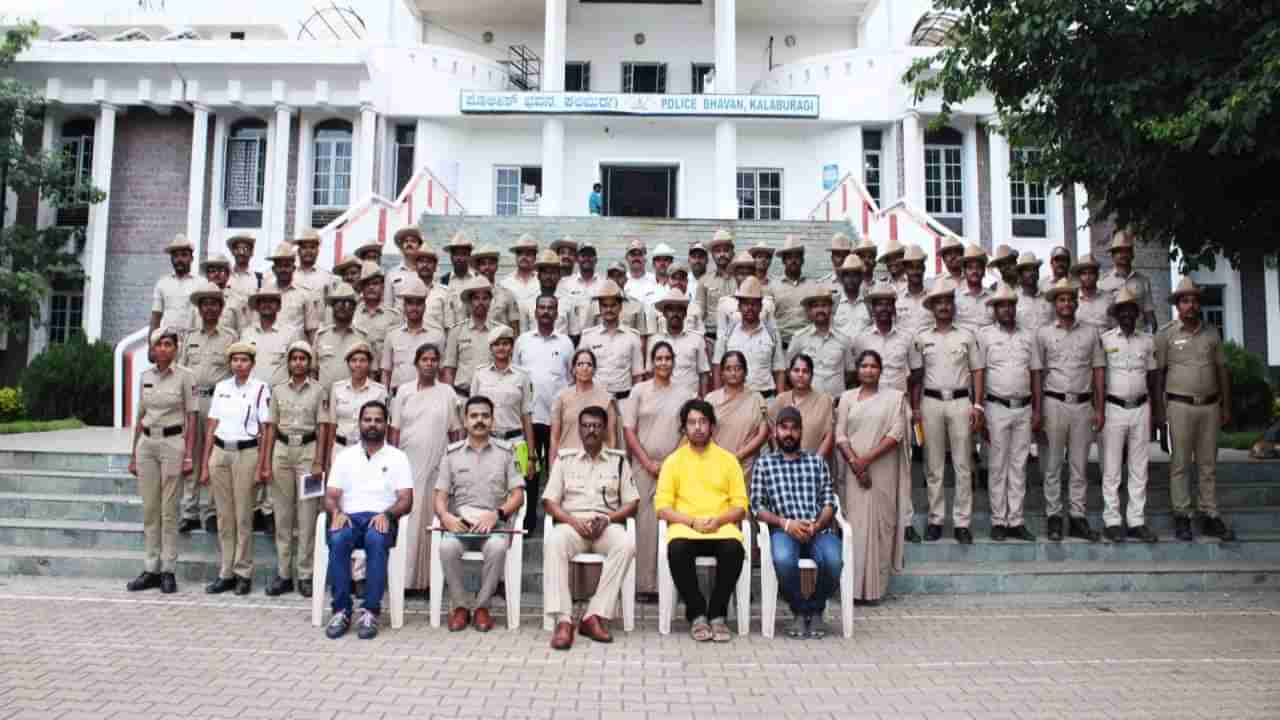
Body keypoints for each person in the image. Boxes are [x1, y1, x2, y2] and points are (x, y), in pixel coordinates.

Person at [543, 405, 639, 649]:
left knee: (626, 544)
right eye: (586, 426)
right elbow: (549, 501)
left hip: (605, 524)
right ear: (579, 429)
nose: (591, 431)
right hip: (572, 525)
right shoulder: (564, 460)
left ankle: (594, 615)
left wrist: (608, 519)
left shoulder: (618, 461)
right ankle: (564, 620)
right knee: (554, 540)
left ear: (605, 429)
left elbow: (632, 502)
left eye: (596, 426)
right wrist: (572, 521)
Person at [656, 398, 749, 643]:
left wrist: (718, 521)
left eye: (703, 422)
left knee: (734, 549)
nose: (697, 427)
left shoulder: (728, 460)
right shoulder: (673, 461)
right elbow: (662, 507)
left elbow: (740, 506)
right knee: (677, 549)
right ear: (684, 428)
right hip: (686, 529)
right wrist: (690, 522)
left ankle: (717, 614)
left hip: (721, 528)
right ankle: (697, 613)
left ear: (712, 426)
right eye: (692, 423)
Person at [322, 400, 415, 640]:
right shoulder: (344, 456)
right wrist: (336, 512)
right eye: (367, 420)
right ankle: (341, 610)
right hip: (349, 518)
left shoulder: (398, 457)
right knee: (339, 537)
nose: (372, 424)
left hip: (381, 518)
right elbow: (331, 496)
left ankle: (370, 612)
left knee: (375, 539)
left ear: (386, 424)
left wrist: (387, 514)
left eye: (378, 420)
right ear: (359, 423)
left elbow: (406, 500)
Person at [435, 396, 527, 632]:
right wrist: (446, 517)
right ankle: (461, 606)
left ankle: (483, 607)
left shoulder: (507, 453)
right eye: (474, 416)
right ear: (465, 421)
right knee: (446, 548)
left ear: (492, 421)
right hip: (461, 526)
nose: (480, 420)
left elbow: (518, 496)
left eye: (485, 416)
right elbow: (440, 497)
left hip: (493, 526)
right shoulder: (451, 454)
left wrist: (497, 514)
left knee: (497, 548)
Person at [754, 405, 841, 637]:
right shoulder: (765, 464)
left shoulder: (816, 462)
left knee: (834, 560)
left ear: (801, 432)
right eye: (784, 428)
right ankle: (800, 611)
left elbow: (829, 502)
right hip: (783, 530)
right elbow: (757, 507)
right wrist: (786, 524)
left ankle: (816, 608)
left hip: (817, 529)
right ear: (775, 432)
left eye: (794, 428)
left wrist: (817, 525)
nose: (789, 433)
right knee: (782, 559)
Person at [1157, 277, 1233, 541]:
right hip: (1179, 406)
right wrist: (1159, 411)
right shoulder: (1167, 334)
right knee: (1179, 463)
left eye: (1194, 300)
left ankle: (1209, 513)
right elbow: (1159, 374)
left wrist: (1226, 405)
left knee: (1207, 463)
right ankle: (1182, 515)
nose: (1190, 305)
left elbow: (1222, 370)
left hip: (1210, 406)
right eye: (1185, 300)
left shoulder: (1212, 333)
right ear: (1178, 305)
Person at [909, 278, 984, 544]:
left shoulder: (966, 336)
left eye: (947, 302)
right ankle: (936, 519)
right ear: (932, 308)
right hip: (930, 403)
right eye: (938, 302)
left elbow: (977, 370)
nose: (943, 306)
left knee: (963, 464)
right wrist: (915, 407)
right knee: (934, 464)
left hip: (961, 401)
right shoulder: (922, 338)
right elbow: (917, 376)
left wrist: (977, 404)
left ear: (953, 306)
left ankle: (962, 522)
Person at [1033, 278, 1106, 543]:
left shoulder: (1090, 332)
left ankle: (1077, 517)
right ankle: (1053, 516)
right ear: (1054, 304)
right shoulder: (1043, 334)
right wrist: (1037, 411)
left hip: (1083, 405)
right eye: (1061, 299)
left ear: (1076, 302)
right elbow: (1038, 374)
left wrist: (1100, 408)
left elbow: (1098, 370)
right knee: (1052, 465)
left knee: (1079, 466)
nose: (1066, 304)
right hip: (1054, 403)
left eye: (1070, 299)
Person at [623, 341, 697, 598]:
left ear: (673, 362)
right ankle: (644, 585)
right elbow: (629, 430)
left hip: (676, 465)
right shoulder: (638, 391)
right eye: (659, 358)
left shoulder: (686, 393)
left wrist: (668, 463)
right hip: (643, 466)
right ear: (651, 362)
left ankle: (671, 584)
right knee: (644, 523)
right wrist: (646, 462)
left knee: (672, 521)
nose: (663, 363)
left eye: (668, 358)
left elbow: (690, 430)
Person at [126, 327, 197, 594]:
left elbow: (192, 419)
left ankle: (168, 569)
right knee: (149, 510)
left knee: (169, 511)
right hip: (147, 444)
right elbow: (139, 417)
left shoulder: (185, 378)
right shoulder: (145, 377)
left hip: (173, 443)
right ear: (153, 350)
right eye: (160, 344)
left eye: (169, 344)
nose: (164, 348)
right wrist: (133, 454)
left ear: (176, 348)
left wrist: (189, 455)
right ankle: (150, 568)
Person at [835, 350, 910, 603]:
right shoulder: (846, 398)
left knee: (881, 527)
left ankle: (875, 590)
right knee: (855, 527)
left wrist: (864, 461)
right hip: (854, 473)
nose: (868, 370)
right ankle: (853, 589)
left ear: (881, 370)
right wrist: (856, 464)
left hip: (882, 471)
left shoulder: (895, 399)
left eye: (873, 366)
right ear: (857, 370)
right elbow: (840, 434)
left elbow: (896, 433)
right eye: (864, 366)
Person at [389, 343, 463, 590]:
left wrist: (455, 466)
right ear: (417, 363)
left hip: (438, 464)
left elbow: (455, 433)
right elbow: (395, 431)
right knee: (409, 522)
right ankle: (406, 581)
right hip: (408, 464)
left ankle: (432, 582)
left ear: (439, 363)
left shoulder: (448, 393)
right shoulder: (404, 392)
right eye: (425, 359)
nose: (429, 364)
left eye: (434, 360)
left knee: (434, 519)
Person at [200, 340, 272, 596]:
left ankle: (243, 572)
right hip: (221, 452)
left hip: (247, 452)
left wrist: (262, 465)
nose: (239, 364)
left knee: (243, 516)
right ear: (230, 363)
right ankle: (225, 572)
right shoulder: (221, 387)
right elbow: (211, 425)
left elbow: (266, 429)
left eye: (244, 360)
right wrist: (205, 463)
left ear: (252, 364)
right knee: (224, 517)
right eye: (235, 360)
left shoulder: (261, 388)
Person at [853, 282, 918, 542]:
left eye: (887, 303)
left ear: (893, 307)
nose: (882, 308)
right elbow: (854, 374)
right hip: (869, 409)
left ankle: (906, 521)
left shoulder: (906, 337)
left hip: (899, 407)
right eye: (877, 303)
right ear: (871, 308)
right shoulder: (861, 339)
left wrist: (913, 406)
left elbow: (916, 374)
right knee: (875, 465)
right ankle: (879, 519)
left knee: (903, 466)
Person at [976, 285, 1040, 542]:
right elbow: (978, 373)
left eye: (1011, 305)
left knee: (1018, 465)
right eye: (1002, 305)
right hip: (995, 407)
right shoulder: (984, 336)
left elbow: (1035, 373)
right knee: (997, 465)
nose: (1007, 309)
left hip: (1023, 408)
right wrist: (979, 407)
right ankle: (998, 520)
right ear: (994, 309)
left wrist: (1038, 408)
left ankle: (1016, 520)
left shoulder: (1028, 336)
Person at [262, 340, 326, 597]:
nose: (299, 363)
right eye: (294, 358)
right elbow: (270, 427)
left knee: (308, 516)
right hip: (282, 453)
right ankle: (284, 574)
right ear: (288, 362)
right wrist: (265, 461)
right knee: (283, 516)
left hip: (308, 454)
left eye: (303, 359)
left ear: (310, 363)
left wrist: (320, 461)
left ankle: (305, 574)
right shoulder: (277, 391)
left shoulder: (320, 391)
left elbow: (322, 428)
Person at [1099, 287, 1161, 544]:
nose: (1126, 315)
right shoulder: (1105, 340)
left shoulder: (1147, 341)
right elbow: (1098, 379)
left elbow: (1153, 377)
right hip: (1113, 408)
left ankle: (1136, 521)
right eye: (1122, 311)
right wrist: (1098, 409)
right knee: (1112, 468)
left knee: (1139, 467)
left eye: (1131, 311)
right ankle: (1112, 521)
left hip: (1141, 408)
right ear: (1115, 315)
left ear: (1137, 314)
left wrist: (1157, 411)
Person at [179, 281, 238, 534]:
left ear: (221, 307)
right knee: (191, 455)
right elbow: (181, 371)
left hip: (219, 402)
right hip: (193, 401)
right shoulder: (190, 337)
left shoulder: (230, 337)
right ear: (200, 308)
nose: (210, 308)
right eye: (205, 304)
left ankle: (212, 511)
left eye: (214, 303)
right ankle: (189, 509)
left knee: (215, 457)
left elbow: (236, 370)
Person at [472, 326, 536, 513]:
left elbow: (526, 415)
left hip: (515, 443)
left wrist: (531, 456)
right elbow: (472, 411)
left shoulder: (522, 376)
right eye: (497, 344)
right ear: (491, 348)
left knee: (516, 493)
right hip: (487, 441)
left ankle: (514, 537)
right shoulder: (479, 374)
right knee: (487, 492)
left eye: (506, 344)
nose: (501, 348)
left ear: (512, 347)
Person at [714, 277, 785, 398]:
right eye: (746, 303)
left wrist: (780, 400)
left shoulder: (772, 333)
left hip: (766, 398)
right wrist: (718, 399)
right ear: (739, 307)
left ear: (761, 306)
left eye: (754, 303)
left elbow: (779, 369)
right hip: (734, 398)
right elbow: (717, 366)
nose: (750, 308)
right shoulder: (728, 333)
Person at [323, 342, 389, 470]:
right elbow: (332, 425)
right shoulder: (337, 389)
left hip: (368, 450)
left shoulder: (379, 391)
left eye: (363, 360)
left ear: (369, 364)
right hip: (340, 449)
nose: (358, 364)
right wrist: (328, 458)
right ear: (348, 364)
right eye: (353, 360)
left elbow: (383, 427)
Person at [705, 351, 771, 479]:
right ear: (722, 373)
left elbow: (762, 433)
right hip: (716, 463)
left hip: (746, 465)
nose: (733, 373)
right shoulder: (710, 399)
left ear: (745, 372)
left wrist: (737, 457)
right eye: (728, 369)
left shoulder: (757, 398)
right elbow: (705, 432)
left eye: (738, 368)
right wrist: (722, 458)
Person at [550, 349, 620, 465]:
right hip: (567, 462)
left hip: (597, 464)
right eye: (580, 364)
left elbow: (611, 439)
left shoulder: (606, 398)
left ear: (594, 370)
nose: (584, 367)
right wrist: (553, 468)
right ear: (573, 369)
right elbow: (554, 438)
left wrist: (609, 466)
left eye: (589, 364)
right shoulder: (561, 398)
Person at [580, 281, 646, 402]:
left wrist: (634, 402)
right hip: (594, 399)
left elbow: (637, 376)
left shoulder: (632, 337)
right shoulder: (588, 337)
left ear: (620, 307)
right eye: (604, 305)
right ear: (599, 308)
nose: (609, 309)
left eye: (613, 305)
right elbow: (580, 372)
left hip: (624, 400)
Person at [787, 284, 853, 398]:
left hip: (836, 401)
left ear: (831, 308)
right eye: (816, 306)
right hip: (807, 400)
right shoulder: (799, 338)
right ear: (810, 311)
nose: (820, 310)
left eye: (824, 305)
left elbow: (850, 372)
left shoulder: (844, 339)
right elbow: (789, 369)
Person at [443, 276, 504, 397]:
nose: (480, 302)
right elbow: (449, 370)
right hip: (463, 396)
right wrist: (451, 398)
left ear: (490, 301)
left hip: (492, 397)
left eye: (485, 298)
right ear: (470, 302)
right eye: (476, 298)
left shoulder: (499, 331)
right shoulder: (456, 331)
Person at [381, 276, 442, 395]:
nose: (414, 308)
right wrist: (385, 400)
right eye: (410, 303)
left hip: (428, 396)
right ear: (404, 306)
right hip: (398, 397)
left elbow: (442, 372)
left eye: (418, 303)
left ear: (425, 306)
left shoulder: (437, 336)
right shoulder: (392, 335)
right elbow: (386, 372)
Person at [768, 354, 834, 459]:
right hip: (783, 465)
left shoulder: (824, 401)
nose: (800, 374)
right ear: (789, 373)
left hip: (814, 465)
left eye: (805, 371)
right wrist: (780, 458)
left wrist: (815, 463)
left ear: (812, 375)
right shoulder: (781, 399)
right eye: (796, 370)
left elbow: (829, 436)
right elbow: (771, 431)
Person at [651, 288, 711, 397]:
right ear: (664, 313)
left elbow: (704, 373)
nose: (675, 314)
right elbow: (650, 374)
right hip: (661, 400)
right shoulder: (655, 340)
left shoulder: (697, 339)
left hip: (689, 402)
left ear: (685, 313)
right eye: (671, 310)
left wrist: (703, 400)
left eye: (679, 310)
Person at [313, 282, 371, 389]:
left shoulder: (363, 336)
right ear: (333, 307)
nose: (343, 306)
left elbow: (371, 372)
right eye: (338, 302)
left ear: (354, 307)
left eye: (348, 302)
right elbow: (313, 371)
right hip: (325, 399)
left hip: (355, 398)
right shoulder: (321, 336)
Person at [1099, 230, 1158, 334]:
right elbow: (1101, 315)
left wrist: (1151, 336)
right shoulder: (1102, 283)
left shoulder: (1143, 281)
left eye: (1127, 251)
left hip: (1138, 336)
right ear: (1112, 256)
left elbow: (1149, 314)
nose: (1123, 254)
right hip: (1112, 338)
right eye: (1119, 251)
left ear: (1132, 254)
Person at [261, 242, 318, 344]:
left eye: (287, 266)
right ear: (274, 269)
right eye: (280, 266)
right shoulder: (264, 293)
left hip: (295, 354)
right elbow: (257, 324)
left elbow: (311, 330)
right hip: (270, 347)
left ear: (293, 268)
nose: (283, 270)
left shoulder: (305, 294)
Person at [150, 234, 200, 349]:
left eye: (184, 255)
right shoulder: (162, 283)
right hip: (167, 343)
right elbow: (155, 317)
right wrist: (151, 346)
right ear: (171, 259)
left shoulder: (201, 283)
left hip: (192, 343)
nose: (180, 259)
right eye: (176, 256)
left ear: (191, 258)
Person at [353, 261, 400, 381]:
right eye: (367, 284)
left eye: (375, 283)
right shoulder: (353, 314)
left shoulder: (393, 317)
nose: (371, 287)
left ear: (382, 287)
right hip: (356, 374)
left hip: (383, 376)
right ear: (362, 288)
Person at [772, 236, 819, 346]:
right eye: (789, 257)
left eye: (797, 256)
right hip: (782, 345)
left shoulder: (813, 286)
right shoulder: (773, 287)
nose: (793, 261)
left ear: (802, 260)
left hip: (807, 344)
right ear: (783, 260)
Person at [518, 250, 576, 335]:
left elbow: (574, 333)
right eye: (545, 272)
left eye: (553, 272)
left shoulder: (569, 300)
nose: (549, 276)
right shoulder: (527, 301)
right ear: (538, 276)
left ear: (559, 276)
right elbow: (523, 334)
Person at [470, 245, 522, 333]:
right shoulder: (469, 294)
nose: (487, 267)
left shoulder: (507, 294)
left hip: (501, 344)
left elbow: (515, 328)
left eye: (491, 263)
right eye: (483, 264)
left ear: (496, 266)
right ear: (477, 267)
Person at [703, 228, 737, 340]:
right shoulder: (704, 281)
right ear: (712, 254)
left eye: (726, 250)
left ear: (732, 252)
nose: (722, 254)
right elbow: (699, 314)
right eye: (717, 251)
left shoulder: (741, 279)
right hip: (711, 336)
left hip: (736, 335)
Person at [292, 229, 333, 319]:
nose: (308, 251)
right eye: (304, 247)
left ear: (318, 251)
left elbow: (330, 307)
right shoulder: (291, 275)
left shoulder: (327, 277)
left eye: (312, 247)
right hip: (295, 330)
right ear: (298, 251)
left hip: (319, 329)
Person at [955, 244, 994, 334]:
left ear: (984, 271)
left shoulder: (993, 297)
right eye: (970, 267)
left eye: (978, 267)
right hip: (964, 345)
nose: (974, 271)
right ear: (964, 272)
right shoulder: (955, 297)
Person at [895, 245, 932, 339]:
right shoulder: (896, 298)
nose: (915, 271)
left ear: (924, 269)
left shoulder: (933, 298)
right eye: (911, 267)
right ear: (905, 270)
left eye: (918, 267)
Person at [832, 255, 871, 341]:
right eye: (847, 275)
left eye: (855, 275)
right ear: (842, 278)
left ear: (861, 278)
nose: (851, 279)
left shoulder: (869, 303)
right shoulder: (834, 302)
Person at [1073, 254, 1115, 332]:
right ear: (1079, 277)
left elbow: (1115, 327)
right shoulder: (1072, 299)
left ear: (1097, 275)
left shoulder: (1109, 298)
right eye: (1084, 273)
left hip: (1105, 341)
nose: (1088, 277)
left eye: (1091, 273)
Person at [1015, 252, 1054, 334]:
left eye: (1035, 269)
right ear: (1020, 274)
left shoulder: (1048, 299)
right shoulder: (1014, 300)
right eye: (1027, 270)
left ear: (1038, 273)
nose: (1032, 273)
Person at [387, 226, 425, 310]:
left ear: (419, 246)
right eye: (406, 241)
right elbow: (388, 306)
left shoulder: (426, 273)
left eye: (413, 241)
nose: (409, 244)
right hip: (397, 322)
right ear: (401, 247)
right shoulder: (391, 274)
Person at [502, 234, 541, 306]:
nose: (524, 257)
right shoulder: (505, 283)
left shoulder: (542, 281)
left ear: (535, 257)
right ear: (516, 257)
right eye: (520, 253)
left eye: (528, 254)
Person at [226, 233, 260, 297]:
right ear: (232, 252)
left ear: (251, 252)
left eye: (246, 249)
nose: (241, 252)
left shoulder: (259, 279)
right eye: (238, 248)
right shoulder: (225, 277)